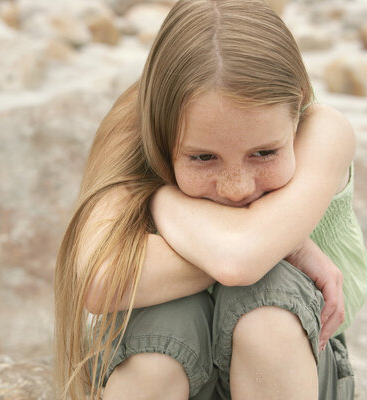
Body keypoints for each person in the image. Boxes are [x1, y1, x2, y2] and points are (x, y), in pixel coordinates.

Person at [54, 0, 367, 399]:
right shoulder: (131, 136)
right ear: (160, 129)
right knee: (166, 324)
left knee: (266, 301)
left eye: (264, 153)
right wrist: (286, 245)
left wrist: (161, 200)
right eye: (203, 158)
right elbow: (102, 282)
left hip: (290, 374)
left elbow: (240, 260)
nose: (236, 188)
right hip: (161, 374)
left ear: (297, 106)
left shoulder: (323, 130)